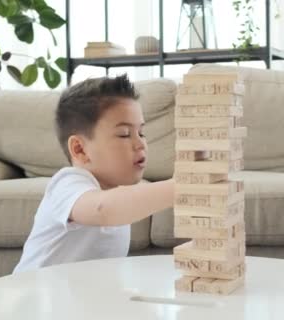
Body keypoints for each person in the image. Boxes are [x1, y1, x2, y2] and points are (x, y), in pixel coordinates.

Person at [14, 75, 174, 273]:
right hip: (37, 297)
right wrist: (182, 185)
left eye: (141, 132)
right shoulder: (68, 184)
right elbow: (102, 208)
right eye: (124, 134)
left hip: (81, 297)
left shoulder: (119, 191)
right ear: (80, 149)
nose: (140, 143)